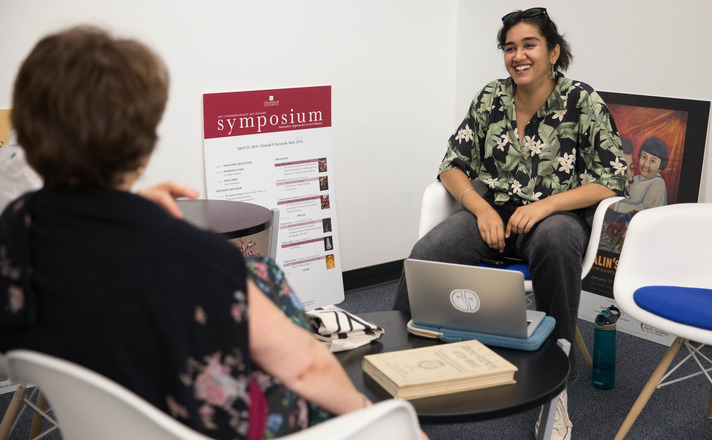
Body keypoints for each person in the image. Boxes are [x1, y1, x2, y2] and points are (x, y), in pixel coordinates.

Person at [0, 26, 430, 440]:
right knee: (264, 280)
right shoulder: (202, 260)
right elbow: (305, 370)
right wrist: (374, 421)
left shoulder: (16, 229)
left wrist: (124, 205)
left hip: (98, 421)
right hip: (222, 426)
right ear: (143, 146)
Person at [392, 7, 628, 439]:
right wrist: (479, 209)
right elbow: (451, 166)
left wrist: (546, 206)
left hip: (555, 218)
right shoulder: (490, 97)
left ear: (554, 51)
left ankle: (556, 391)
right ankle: (397, 371)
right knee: (426, 255)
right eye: (509, 47)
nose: (518, 55)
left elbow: (612, 179)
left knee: (557, 242)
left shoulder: (583, 102)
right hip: (493, 215)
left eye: (529, 45)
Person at [612, 137, 668, 213]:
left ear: (661, 166)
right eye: (644, 157)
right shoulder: (634, 178)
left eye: (652, 161)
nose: (646, 164)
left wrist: (615, 206)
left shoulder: (658, 183)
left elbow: (645, 210)